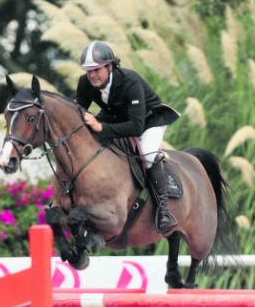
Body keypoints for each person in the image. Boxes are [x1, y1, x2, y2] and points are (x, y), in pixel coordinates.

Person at [74, 40, 181, 234]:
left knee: (147, 154)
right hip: (116, 117)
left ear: (110, 66)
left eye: (96, 69)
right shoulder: (85, 83)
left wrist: (100, 127)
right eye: (88, 70)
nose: (92, 75)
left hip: (148, 121)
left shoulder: (130, 81)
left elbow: (136, 126)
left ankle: (164, 211)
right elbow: (78, 110)